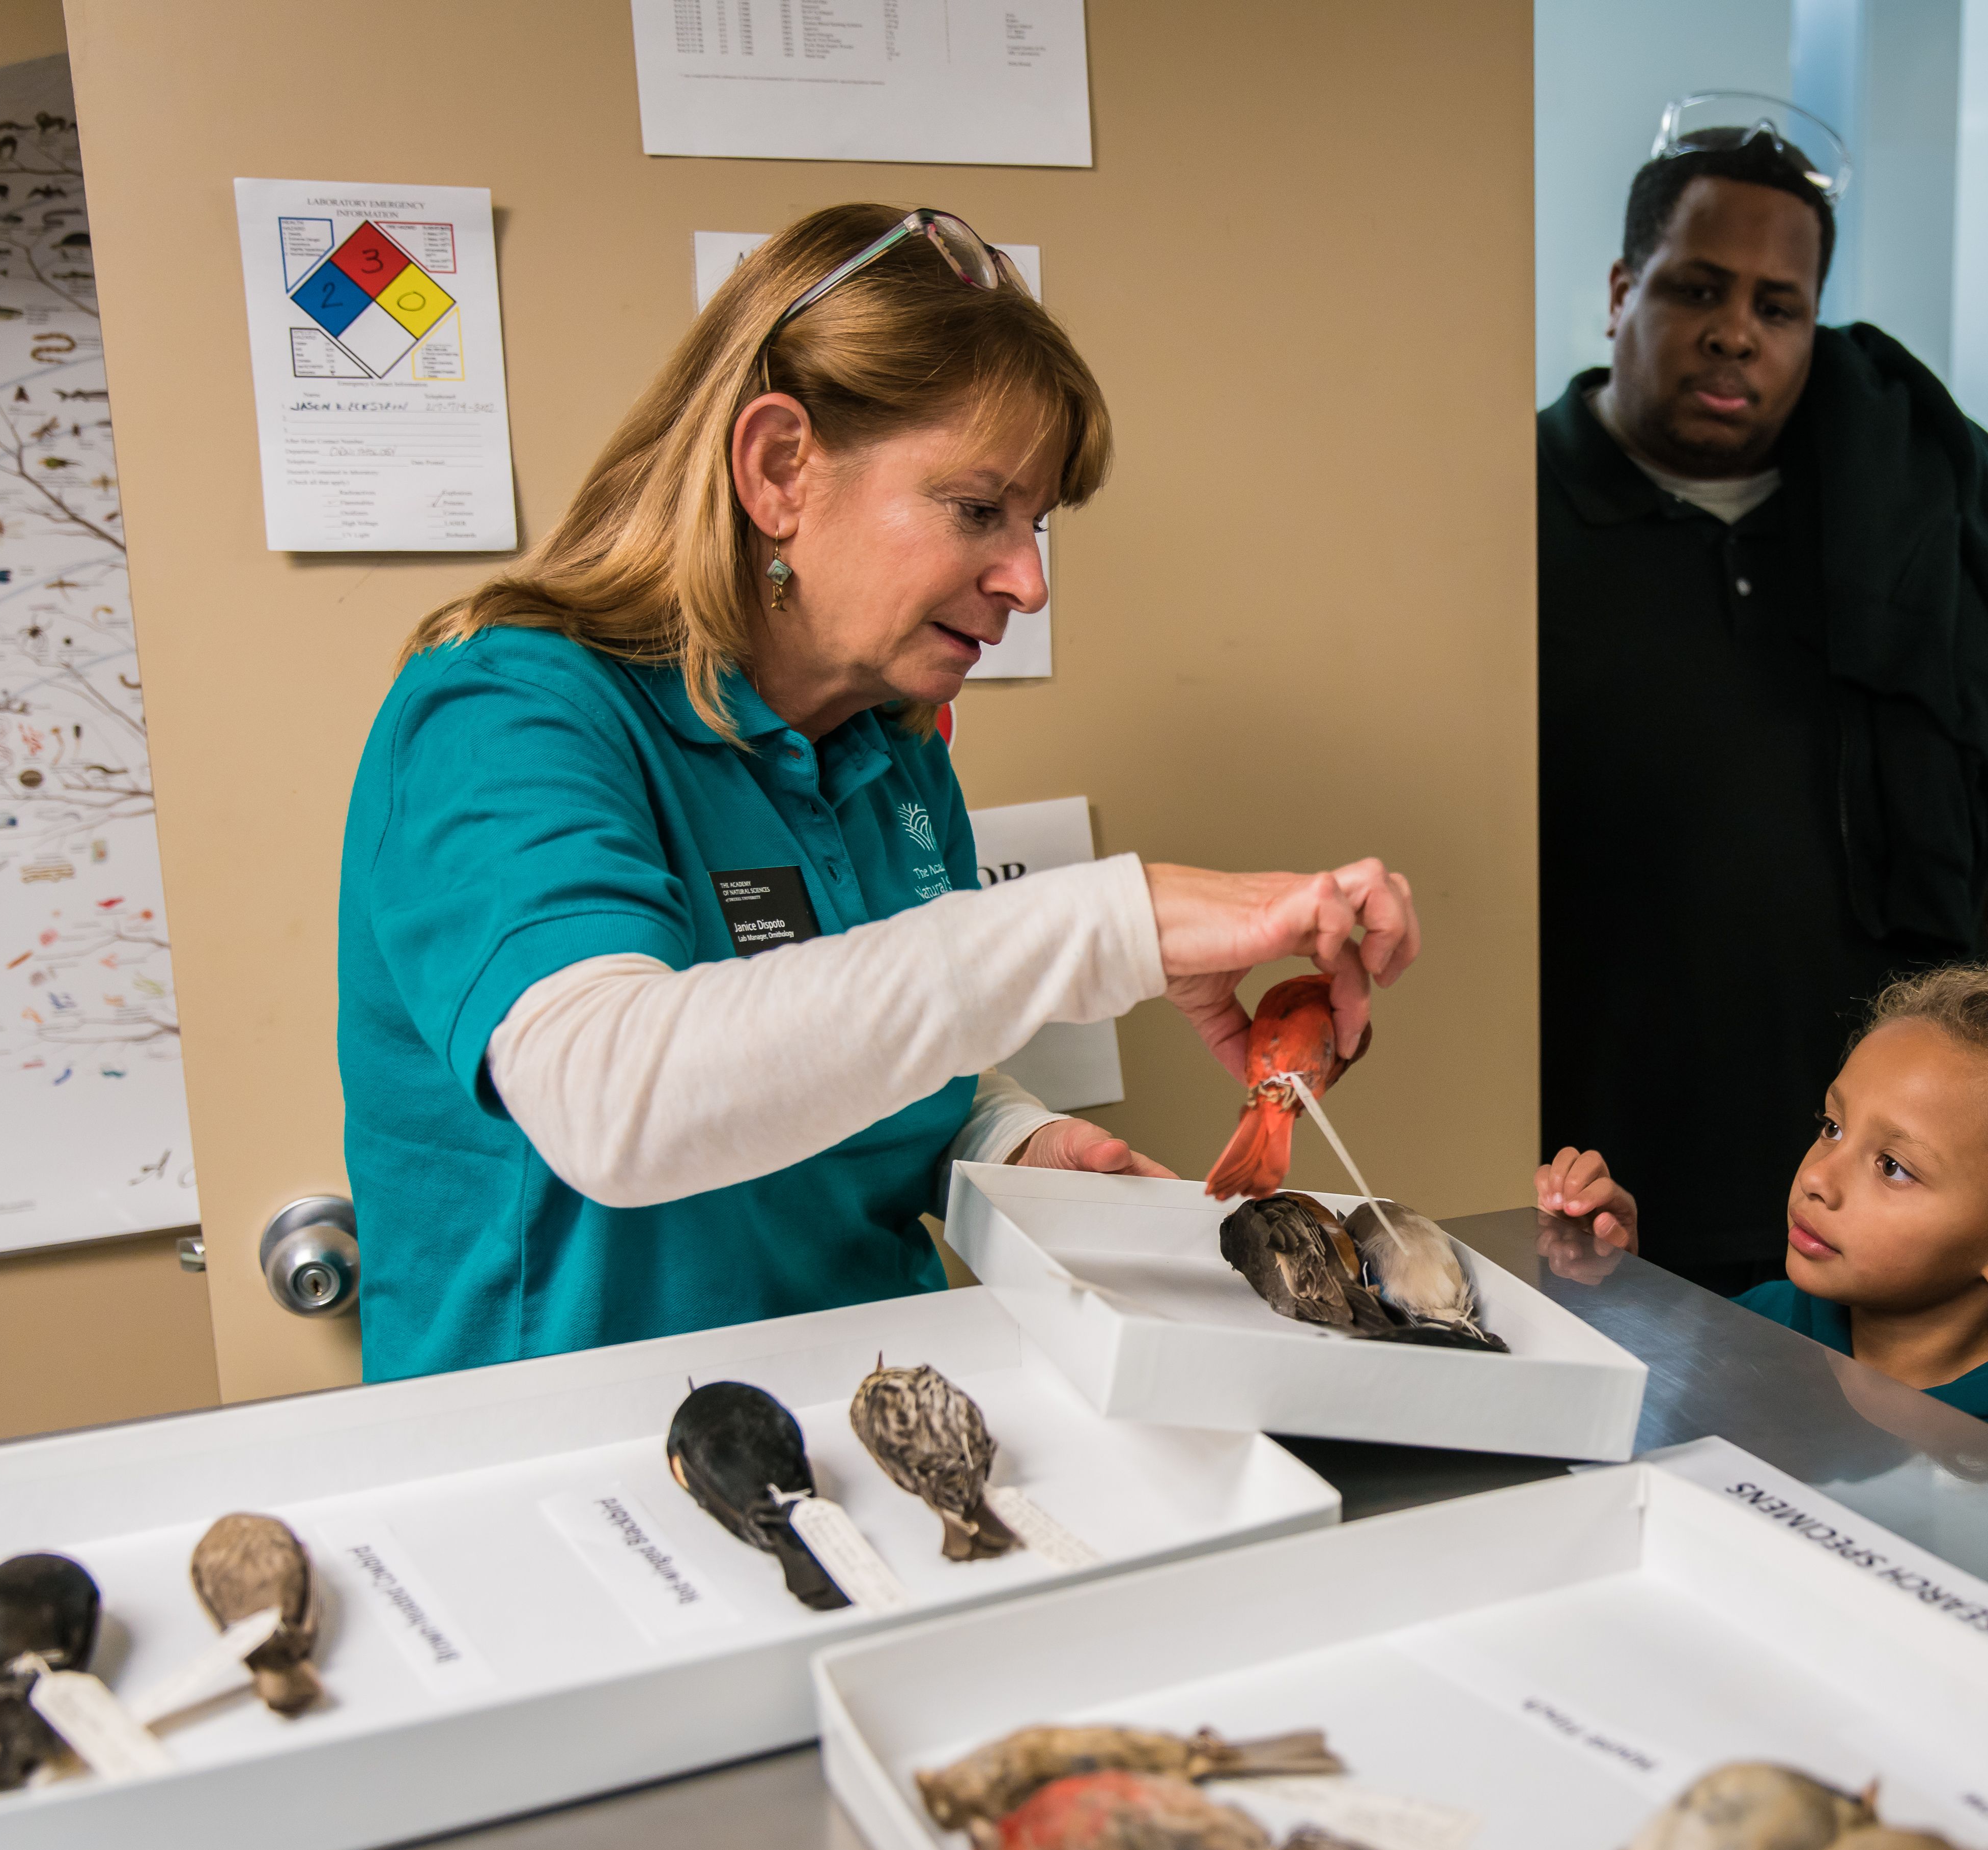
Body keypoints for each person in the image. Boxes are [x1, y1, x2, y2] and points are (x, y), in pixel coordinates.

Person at [338, 204, 1420, 1382]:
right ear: (780, 469)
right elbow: (611, 1102)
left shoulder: (892, 750)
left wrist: (1008, 1133)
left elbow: (852, 1035)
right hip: (566, 1461)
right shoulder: (503, 710)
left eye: (1038, 523)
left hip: (871, 1408)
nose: (1027, 581)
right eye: (977, 510)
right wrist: (1110, 923)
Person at [1540, 95, 1988, 1299]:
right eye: (1697, 288)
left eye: (1777, 307)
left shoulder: (1925, 518)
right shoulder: (1515, 512)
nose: (1736, 332)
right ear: (1624, 291)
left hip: (1885, 1216)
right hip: (1605, 1194)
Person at [1535, 964, 1988, 1497]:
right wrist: (1614, 1284)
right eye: (1832, 1124)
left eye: (1893, 1166)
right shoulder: (1760, 1325)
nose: (1818, 1176)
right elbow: (1645, 1450)